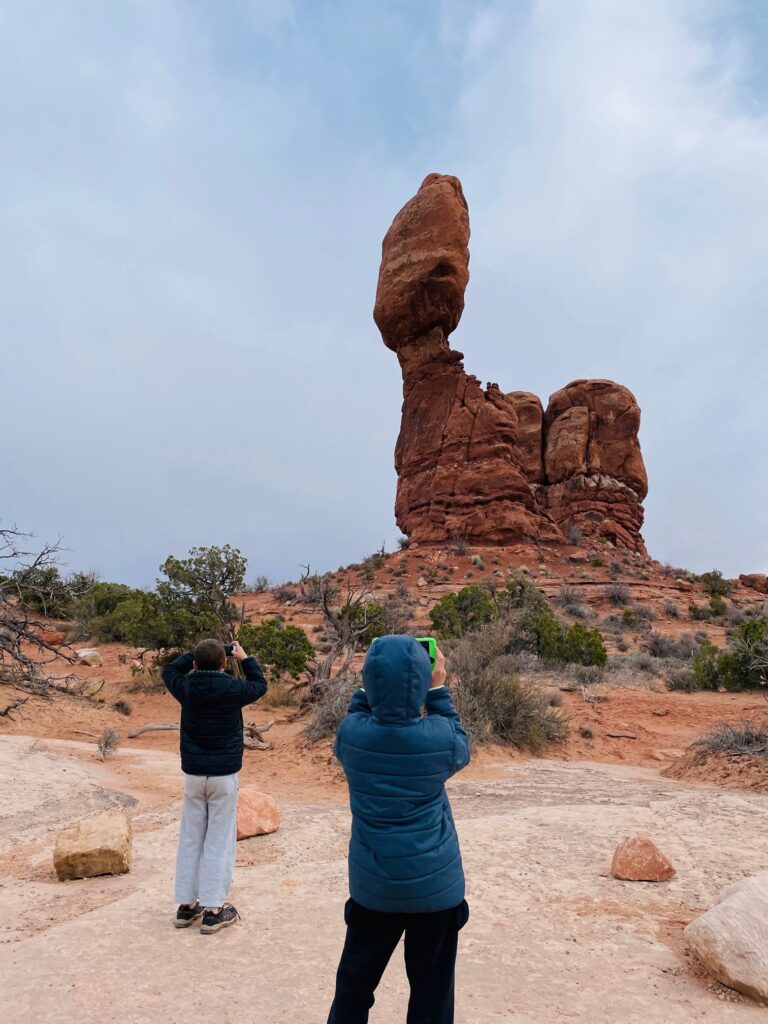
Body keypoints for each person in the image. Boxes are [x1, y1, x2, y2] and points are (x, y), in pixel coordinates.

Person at [327, 634, 470, 1024]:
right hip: (434, 890)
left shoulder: (352, 737)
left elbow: (356, 714)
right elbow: (460, 743)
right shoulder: (438, 740)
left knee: (354, 989)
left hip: (374, 889)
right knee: (432, 995)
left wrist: (369, 684)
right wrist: (438, 688)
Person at [162, 638, 267, 934]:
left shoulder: (187, 688)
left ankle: (186, 906)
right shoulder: (234, 689)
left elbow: (170, 670)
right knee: (219, 841)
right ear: (224, 664)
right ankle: (213, 909)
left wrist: (192, 653)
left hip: (194, 775)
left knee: (191, 838)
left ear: (195, 664)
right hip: (223, 776)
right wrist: (244, 658)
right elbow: (260, 684)